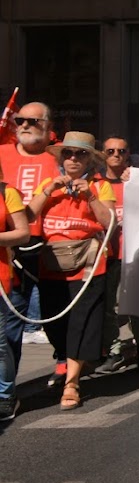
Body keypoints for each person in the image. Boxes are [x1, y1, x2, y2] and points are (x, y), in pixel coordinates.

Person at [27, 132, 116, 409]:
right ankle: (66, 361)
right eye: (68, 153)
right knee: (54, 325)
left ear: (90, 158)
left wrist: (90, 196)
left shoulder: (100, 186)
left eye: (80, 154)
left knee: (82, 323)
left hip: (88, 266)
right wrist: (47, 190)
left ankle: (72, 383)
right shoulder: (47, 184)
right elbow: (27, 217)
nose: (73, 159)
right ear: (61, 158)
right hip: (52, 265)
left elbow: (110, 223)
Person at [0, 103, 60, 353]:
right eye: (21, 120)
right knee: (11, 322)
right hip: (12, 249)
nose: (24, 125)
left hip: (55, 248)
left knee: (57, 312)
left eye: (33, 121)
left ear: (49, 127)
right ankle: (8, 388)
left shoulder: (62, 156)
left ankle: (64, 369)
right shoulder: (1, 152)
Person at [92, 135, 139, 377]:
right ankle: (114, 351)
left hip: (134, 253)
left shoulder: (138, 181)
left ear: (128, 155)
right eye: (111, 151)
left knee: (136, 305)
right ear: (102, 154)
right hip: (108, 254)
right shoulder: (94, 185)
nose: (116, 155)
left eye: (121, 151)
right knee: (108, 307)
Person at [0, 157, 32, 421]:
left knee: (0, 344)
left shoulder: (6, 192)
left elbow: (23, 233)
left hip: (0, 277)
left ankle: (5, 395)